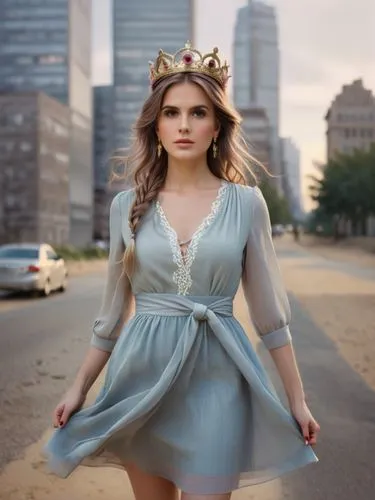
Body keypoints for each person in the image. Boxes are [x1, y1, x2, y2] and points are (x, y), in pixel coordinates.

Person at [44, 42, 320, 500]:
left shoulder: (247, 204)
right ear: (156, 125)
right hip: (140, 380)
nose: (184, 125)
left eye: (198, 113)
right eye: (172, 113)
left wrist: (297, 399)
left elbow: (271, 316)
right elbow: (111, 317)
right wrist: (78, 388)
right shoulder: (124, 207)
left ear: (217, 126)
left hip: (219, 380)